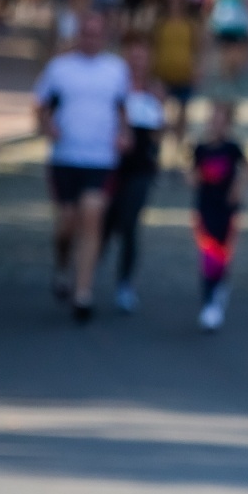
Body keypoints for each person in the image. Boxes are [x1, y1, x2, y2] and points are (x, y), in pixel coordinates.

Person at [33, 11, 129, 323]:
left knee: (92, 218)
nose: (91, 39)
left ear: (104, 37)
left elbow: (123, 109)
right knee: (67, 223)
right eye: (86, 33)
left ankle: (83, 292)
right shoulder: (60, 68)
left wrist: (124, 134)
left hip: (100, 158)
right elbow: (41, 105)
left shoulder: (116, 69)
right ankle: (63, 264)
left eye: (96, 34)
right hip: (65, 156)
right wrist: (46, 125)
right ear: (78, 35)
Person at [103, 33, 164, 314]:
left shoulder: (155, 90)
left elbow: (158, 133)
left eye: (142, 56)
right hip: (110, 165)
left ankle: (124, 284)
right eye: (133, 56)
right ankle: (86, 274)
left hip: (140, 168)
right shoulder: (114, 87)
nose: (138, 62)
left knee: (129, 223)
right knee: (104, 222)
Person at [187, 100, 248, 331]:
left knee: (222, 254)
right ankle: (209, 300)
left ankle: (218, 289)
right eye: (212, 118)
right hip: (205, 207)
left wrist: (238, 188)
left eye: (220, 119)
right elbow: (192, 175)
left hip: (227, 208)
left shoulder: (233, 148)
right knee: (208, 254)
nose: (215, 123)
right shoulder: (200, 149)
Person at [152, 0, 200, 145]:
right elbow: (154, 47)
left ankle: (179, 144)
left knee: (182, 112)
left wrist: (197, 69)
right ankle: (159, 144)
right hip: (163, 73)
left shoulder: (190, 24)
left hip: (184, 73)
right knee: (160, 113)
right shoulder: (160, 23)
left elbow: (198, 48)